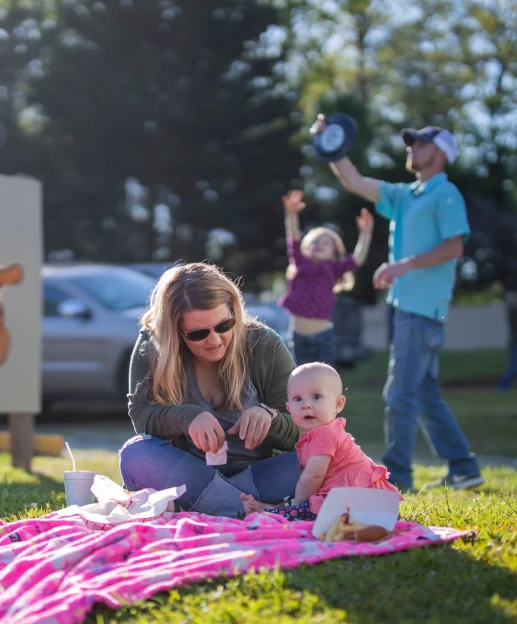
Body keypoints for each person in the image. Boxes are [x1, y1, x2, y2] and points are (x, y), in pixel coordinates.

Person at [311, 116, 484, 492]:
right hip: (406, 307)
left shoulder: (446, 194)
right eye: (412, 143)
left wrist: (403, 265)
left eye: (420, 143)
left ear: (440, 153)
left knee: (399, 393)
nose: (412, 148)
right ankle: (464, 466)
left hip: (423, 309)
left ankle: (398, 476)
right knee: (423, 393)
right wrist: (333, 146)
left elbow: (455, 245)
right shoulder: (406, 195)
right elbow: (355, 182)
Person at [119, 263, 302, 516]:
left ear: (234, 311)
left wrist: (270, 418)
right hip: (190, 475)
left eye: (224, 326)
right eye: (198, 334)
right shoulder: (153, 346)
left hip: (260, 475)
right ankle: (251, 510)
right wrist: (186, 417)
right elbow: (141, 417)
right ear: (175, 332)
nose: (215, 340)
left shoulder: (264, 343)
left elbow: (304, 429)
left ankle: (205, 508)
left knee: (328, 454)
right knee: (136, 454)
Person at [241, 362, 400, 521]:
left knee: (306, 509)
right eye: (298, 399)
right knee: (309, 504)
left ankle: (272, 514)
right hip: (363, 500)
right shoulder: (319, 433)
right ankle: (274, 509)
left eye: (316, 397)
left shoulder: (325, 433)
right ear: (289, 409)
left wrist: (298, 502)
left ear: (338, 404)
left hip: (362, 499)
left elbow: (313, 476)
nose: (306, 405)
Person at [278, 189, 373, 367]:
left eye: (326, 242)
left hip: (323, 338)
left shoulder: (332, 269)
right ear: (306, 247)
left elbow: (357, 259)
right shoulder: (300, 264)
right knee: (298, 382)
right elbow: (293, 238)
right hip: (297, 338)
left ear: (334, 253)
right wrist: (291, 214)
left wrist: (366, 234)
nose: (319, 245)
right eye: (314, 241)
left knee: (325, 384)